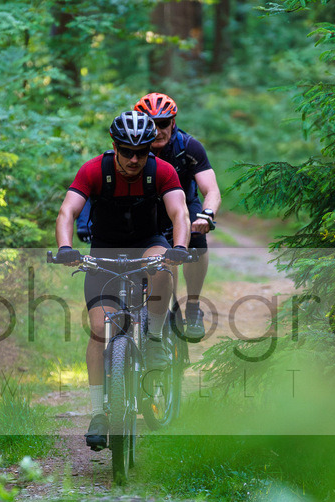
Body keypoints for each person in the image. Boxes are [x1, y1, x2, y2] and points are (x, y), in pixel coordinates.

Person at [54, 111, 192, 450]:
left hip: (148, 243)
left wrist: (178, 247)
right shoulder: (93, 171)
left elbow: (180, 213)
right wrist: (65, 247)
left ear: (149, 150)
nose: (134, 159)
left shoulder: (162, 171)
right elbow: (67, 211)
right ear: (114, 146)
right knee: (100, 332)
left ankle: (156, 340)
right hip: (103, 251)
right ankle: (99, 412)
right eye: (127, 151)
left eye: (141, 152)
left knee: (162, 268)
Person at [134, 92, 221, 341]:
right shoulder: (132, 147)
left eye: (163, 123)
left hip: (184, 204)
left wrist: (206, 214)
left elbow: (211, 189)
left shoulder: (188, 147)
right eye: (151, 124)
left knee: (196, 237)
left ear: (173, 122)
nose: (158, 130)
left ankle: (193, 306)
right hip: (146, 206)